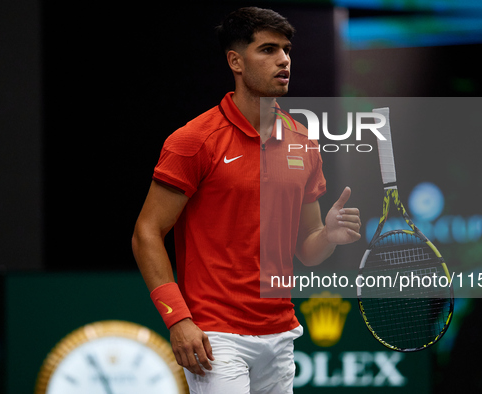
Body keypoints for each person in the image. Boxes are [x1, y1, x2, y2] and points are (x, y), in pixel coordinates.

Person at [132, 7, 361, 393]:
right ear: (235, 61)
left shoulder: (304, 142)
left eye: (286, 50)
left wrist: (329, 235)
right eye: (268, 50)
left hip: (280, 333)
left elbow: (308, 249)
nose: (283, 60)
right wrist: (177, 319)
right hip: (215, 334)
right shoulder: (195, 140)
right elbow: (147, 232)